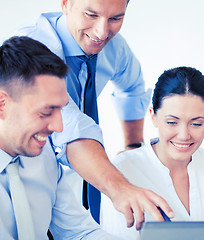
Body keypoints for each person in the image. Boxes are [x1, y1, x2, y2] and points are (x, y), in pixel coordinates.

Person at [15, 0, 172, 227]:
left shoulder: (114, 48)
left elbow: (132, 87)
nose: (101, 32)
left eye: (115, 19)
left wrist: (132, 146)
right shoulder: (30, 50)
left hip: (69, 192)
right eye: (90, 14)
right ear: (66, 4)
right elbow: (68, 125)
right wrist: (120, 189)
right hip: (22, 176)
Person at [0, 36, 122, 239]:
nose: (58, 127)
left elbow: (79, 233)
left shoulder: (43, 158)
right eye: (46, 112)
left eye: (61, 110)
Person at [100, 67, 204, 239]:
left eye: (196, 124)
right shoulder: (122, 170)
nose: (184, 135)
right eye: (171, 122)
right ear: (153, 117)